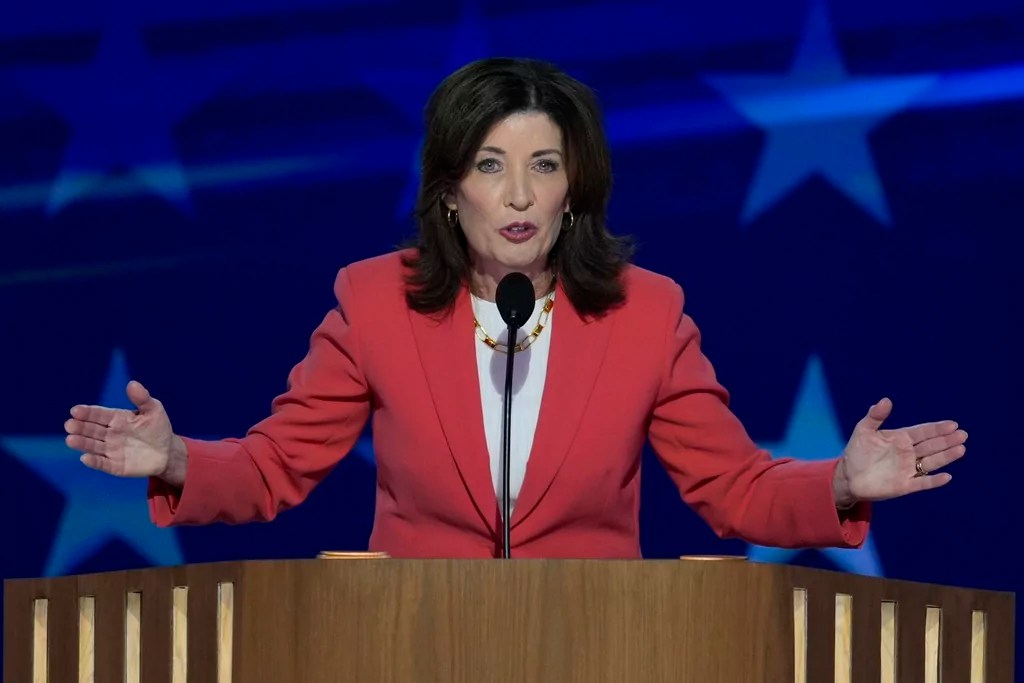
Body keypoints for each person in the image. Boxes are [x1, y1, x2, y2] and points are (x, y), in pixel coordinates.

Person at [63, 57, 966, 559]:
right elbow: (274, 468)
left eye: (545, 166)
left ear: (575, 189)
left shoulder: (647, 313)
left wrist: (839, 483)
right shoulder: (374, 301)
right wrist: (176, 459)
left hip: (599, 647)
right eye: (491, 166)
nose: (520, 194)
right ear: (449, 189)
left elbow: (734, 488)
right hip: (410, 646)